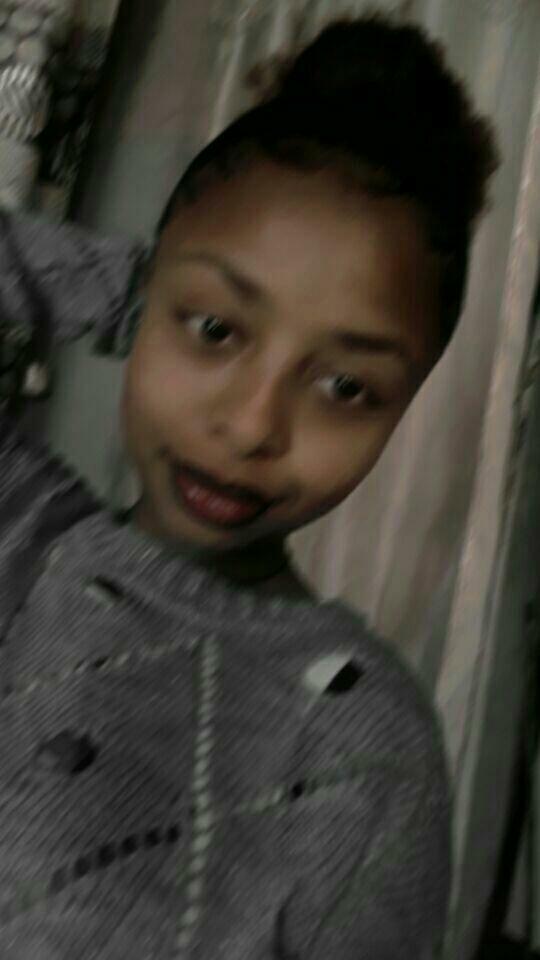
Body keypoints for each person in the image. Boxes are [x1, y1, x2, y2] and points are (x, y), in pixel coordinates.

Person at [0, 11, 499, 960]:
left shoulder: (362, 749)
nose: (252, 426)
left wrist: (201, 311)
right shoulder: (19, 529)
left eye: (345, 387)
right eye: (215, 331)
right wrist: (129, 290)